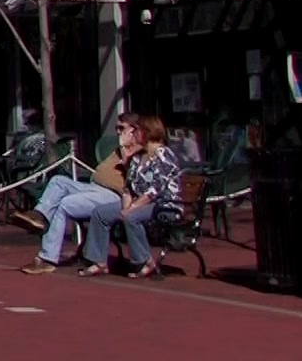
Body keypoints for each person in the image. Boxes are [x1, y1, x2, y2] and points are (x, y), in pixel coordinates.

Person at [12, 112, 140, 273]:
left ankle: (46, 258)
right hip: (94, 187)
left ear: (134, 129)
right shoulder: (121, 147)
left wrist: (124, 147)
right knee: (58, 181)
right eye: (116, 128)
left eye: (122, 128)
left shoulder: (138, 148)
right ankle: (39, 216)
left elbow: (133, 174)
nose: (118, 132)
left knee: (63, 204)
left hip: (114, 195)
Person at [79, 114, 184, 278]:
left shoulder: (164, 155)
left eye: (136, 131)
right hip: (139, 202)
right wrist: (126, 206)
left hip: (164, 204)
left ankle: (143, 260)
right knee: (100, 213)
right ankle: (98, 261)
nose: (132, 134)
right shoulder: (137, 157)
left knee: (131, 217)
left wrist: (130, 209)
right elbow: (128, 188)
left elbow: (154, 191)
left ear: (147, 132)